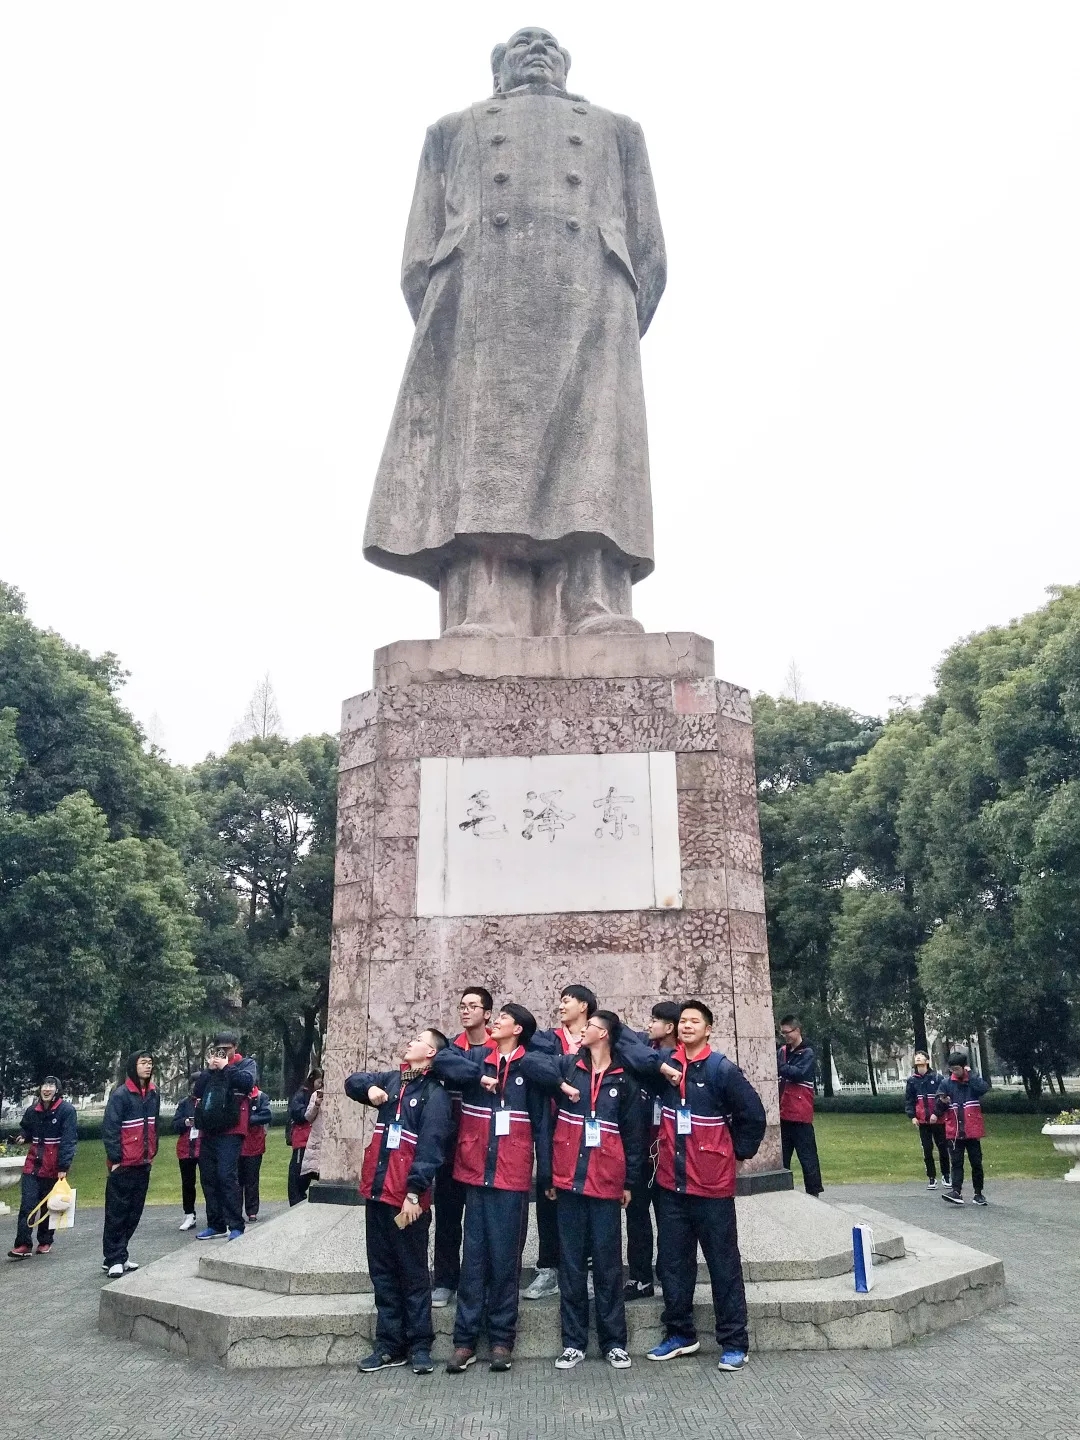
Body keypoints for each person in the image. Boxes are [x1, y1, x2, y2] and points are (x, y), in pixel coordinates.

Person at [632, 1001, 766, 1371]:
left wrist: (736, 1152)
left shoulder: (721, 1069)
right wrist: (660, 1064)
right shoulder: (665, 1065)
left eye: (695, 1021)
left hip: (711, 1188)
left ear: (708, 1029)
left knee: (723, 1266)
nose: (687, 1026)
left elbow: (753, 1115)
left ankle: (734, 1342)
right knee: (673, 1265)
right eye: (683, 1021)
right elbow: (627, 1048)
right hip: (671, 1186)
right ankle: (680, 1334)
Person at [431, 1002, 551, 1374]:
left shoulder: (529, 1068)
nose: (495, 1022)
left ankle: (501, 1340)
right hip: (475, 1171)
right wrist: (479, 1076)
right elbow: (441, 1061)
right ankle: (464, 1341)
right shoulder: (476, 1060)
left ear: (518, 1029)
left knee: (505, 1261)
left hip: (512, 1176)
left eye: (503, 1019)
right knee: (473, 1261)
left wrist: (546, 1174)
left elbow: (542, 1125)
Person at [529, 1009, 643, 1370]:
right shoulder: (568, 1066)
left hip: (606, 1181)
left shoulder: (624, 1078)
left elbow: (634, 1136)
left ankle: (614, 1342)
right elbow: (530, 1063)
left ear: (604, 1034)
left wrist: (629, 1182)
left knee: (608, 1264)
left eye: (590, 1026)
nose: (583, 1031)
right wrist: (561, 1084)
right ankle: (573, 1342)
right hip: (568, 1179)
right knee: (571, 1264)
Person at [345, 1028, 453, 1377]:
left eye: (418, 1040)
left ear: (431, 1053)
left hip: (407, 1201)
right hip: (377, 1193)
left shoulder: (435, 1094)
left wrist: (414, 1194)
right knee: (382, 1273)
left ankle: (420, 1345)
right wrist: (368, 1089)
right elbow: (352, 1081)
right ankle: (389, 1345)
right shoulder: (392, 1080)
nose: (410, 1042)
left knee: (413, 1273)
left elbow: (431, 1148)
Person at [525, 983, 597, 1301]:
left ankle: (589, 1270)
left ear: (584, 1006)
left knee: (590, 1198)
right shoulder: (547, 1039)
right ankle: (548, 1269)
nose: (561, 1005)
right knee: (548, 1193)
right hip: (553, 1129)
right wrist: (561, 1080)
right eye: (560, 1000)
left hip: (590, 1131)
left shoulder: (599, 1037)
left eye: (567, 1000)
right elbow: (531, 1064)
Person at [432, 987, 494, 1308]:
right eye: (462, 1006)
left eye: (473, 1006)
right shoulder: (451, 1048)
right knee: (447, 1216)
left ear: (487, 1013)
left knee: (482, 1222)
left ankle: (480, 1280)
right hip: (451, 1147)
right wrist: (481, 1076)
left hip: (487, 1148)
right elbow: (445, 1065)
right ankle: (445, 1280)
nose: (466, 1011)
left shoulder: (498, 1047)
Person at [623, 1000, 679, 1300]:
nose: (648, 1024)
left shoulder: (682, 1058)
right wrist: (658, 1064)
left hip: (670, 1154)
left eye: (654, 1020)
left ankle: (670, 1277)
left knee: (670, 1220)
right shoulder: (644, 1049)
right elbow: (622, 1039)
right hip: (642, 1152)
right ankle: (640, 1278)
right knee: (637, 1217)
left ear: (669, 1027)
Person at [191, 1031, 258, 1240]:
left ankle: (235, 1224)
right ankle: (216, 1223)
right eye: (219, 1049)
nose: (223, 1053)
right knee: (208, 1177)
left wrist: (226, 1067)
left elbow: (247, 1082)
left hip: (232, 1129)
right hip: (209, 1128)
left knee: (226, 1175)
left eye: (227, 1049)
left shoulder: (245, 1064)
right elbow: (197, 1091)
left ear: (235, 1048)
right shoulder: (211, 1069)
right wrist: (209, 1070)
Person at [101, 1052, 159, 1277]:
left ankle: (120, 1254)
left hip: (143, 1163)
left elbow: (154, 1127)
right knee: (117, 1213)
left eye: (150, 1063)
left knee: (134, 1213)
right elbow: (110, 1128)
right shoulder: (121, 1095)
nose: (147, 1066)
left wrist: (152, 1152)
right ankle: (113, 1258)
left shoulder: (153, 1094)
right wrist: (115, 1159)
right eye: (143, 1063)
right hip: (123, 1164)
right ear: (133, 1066)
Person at [7, 1076, 77, 1260]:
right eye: (44, 1086)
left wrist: (63, 1166)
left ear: (57, 1090)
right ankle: (23, 1244)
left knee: (50, 1206)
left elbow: (69, 1140)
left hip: (53, 1167)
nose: (47, 1089)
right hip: (33, 1165)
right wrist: (22, 1136)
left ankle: (45, 1240)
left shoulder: (67, 1111)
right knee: (27, 1205)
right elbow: (26, 1129)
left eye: (51, 1086)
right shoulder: (33, 1110)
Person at [776, 1015, 823, 1196]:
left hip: (801, 1114)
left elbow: (799, 1073)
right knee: (782, 1158)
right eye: (782, 1033)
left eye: (787, 1032)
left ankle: (813, 1192)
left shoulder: (807, 1053)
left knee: (808, 1157)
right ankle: (781, 1190)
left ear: (797, 1030)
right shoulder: (782, 1052)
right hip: (783, 1113)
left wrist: (779, 1066)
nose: (785, 1036)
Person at [937, 1051, 991, 1206]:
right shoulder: (946, 1084)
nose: (954, 1072)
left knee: (976, 1163)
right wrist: (942, 1102)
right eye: (952, 1069)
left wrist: (970, 1075)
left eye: (957, 1069)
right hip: (954, 1131)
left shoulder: (973, 1082)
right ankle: (956, 1191)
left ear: (964, 1067)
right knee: (956, 1163)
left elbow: (984, 1088)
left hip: (972, 1130)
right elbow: (938, 1107)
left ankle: (978, 1193)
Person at [904, 1051, 950, 1191]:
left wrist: (936, 1113)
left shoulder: (937, 1078)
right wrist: (912, 1116)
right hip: (923, 1122)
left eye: (921, 1056)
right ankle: (931, 1177)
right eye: (916, 1057)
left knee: (943, 1148)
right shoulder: (912, 1081)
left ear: (927, 1061)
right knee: (927, 1149)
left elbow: (943, 1099)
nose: (918, 1058)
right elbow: (910, 1100)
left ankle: (946, 1175)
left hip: (938, 1121)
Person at [286, 1068, 323, 1205]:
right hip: (302, 1138)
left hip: (312, 1138)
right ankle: (296, 1199)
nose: (321, 1085)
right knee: (298, 1172)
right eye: (319, 1082)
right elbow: (299, 1114)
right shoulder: (303, 1094)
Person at [238, 1086, 272, 1223]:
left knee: (251, 1180)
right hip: (237, 1144)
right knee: (236, 1181)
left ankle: (252, 1211)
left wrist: (248, 1119)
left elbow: (267, 1115)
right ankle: (236, 1211)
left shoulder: (260, 1097)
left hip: (254, 1144)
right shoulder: (236, 1094)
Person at [172, 1080, 201, 1230]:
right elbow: (175, 1124)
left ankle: (216, 1215)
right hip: (186, 1149)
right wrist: (186, 1122)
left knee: (210, 1182)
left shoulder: (209, 1100)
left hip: (204, 1148)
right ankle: (189, 1214)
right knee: (188, 1183)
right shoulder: (184, 1103)